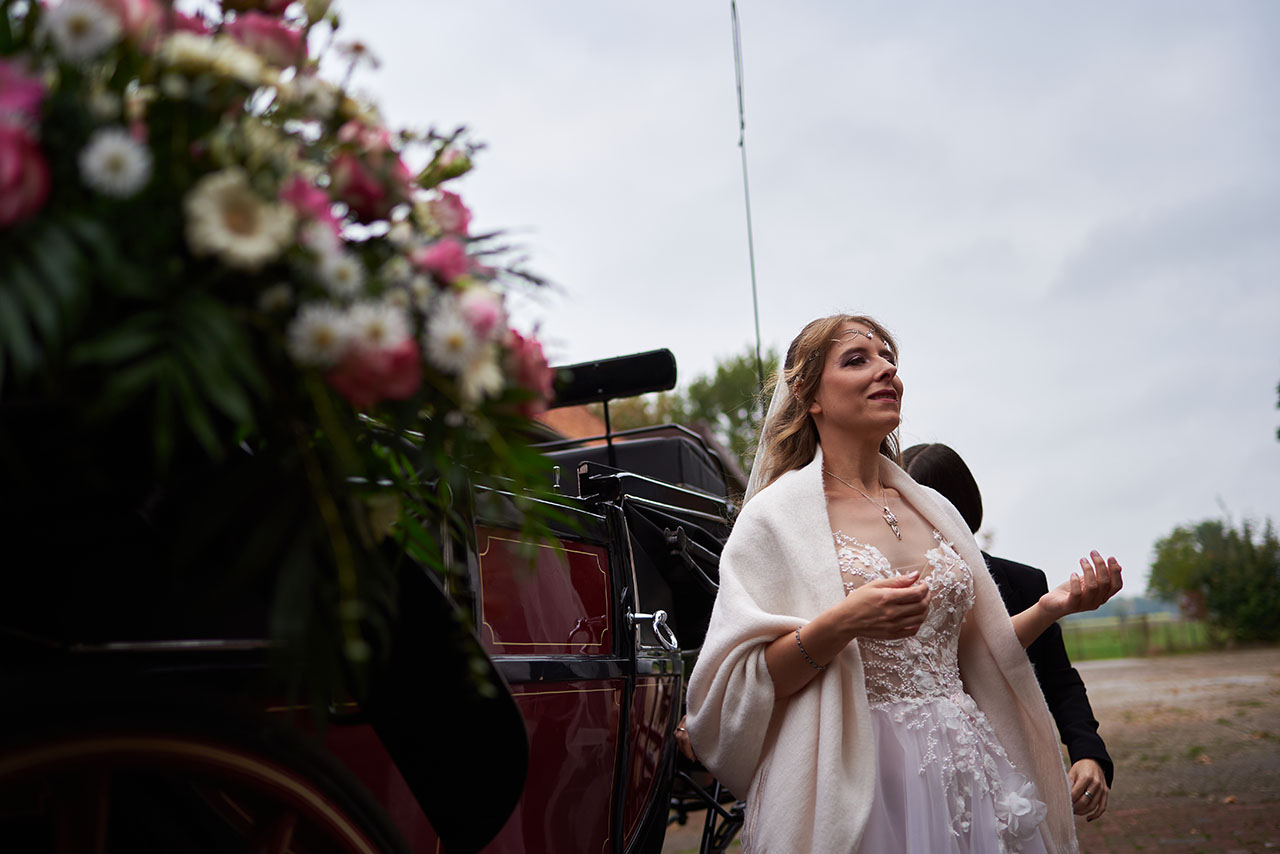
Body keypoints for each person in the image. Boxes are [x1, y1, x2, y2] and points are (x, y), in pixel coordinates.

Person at [684, 314, 1122, 853]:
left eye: (888, 357)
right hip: (863, 779)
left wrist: (1049, 607)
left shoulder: (932, 508)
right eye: (857, 359)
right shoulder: (775, 520)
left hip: (966, 764)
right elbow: (745, 684)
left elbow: (966, 656)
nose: (886, 369)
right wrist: (844, 622)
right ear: (808, 394)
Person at [901, 442, 1114, 822]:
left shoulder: (1024, 583)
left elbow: (1058, 678)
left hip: (1012, 774)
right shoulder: (889, 590)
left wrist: (1087, 752)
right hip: (916, 774)